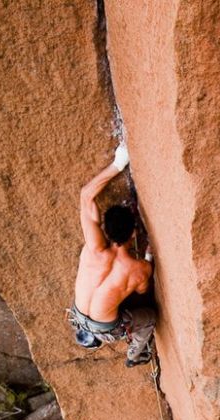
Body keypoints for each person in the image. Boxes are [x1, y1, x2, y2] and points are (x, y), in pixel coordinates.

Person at [69, 144, 156, 367]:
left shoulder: (93, 247)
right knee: (149, 318)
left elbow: (86, 195)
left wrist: (119, 162)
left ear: (104, 228)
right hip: (107, 328)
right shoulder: (137, 270)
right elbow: (143, 291)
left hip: (78, 315)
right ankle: (135, 355)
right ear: (133, 232)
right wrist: (147, 255)